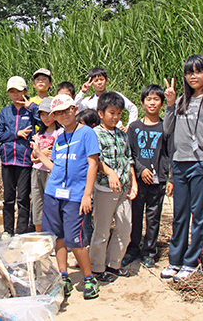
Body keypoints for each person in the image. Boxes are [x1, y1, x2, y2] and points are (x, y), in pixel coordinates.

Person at [161, 54, 203, 282]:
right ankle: (175, 260)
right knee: (180, 215)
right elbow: (167, 129)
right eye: (189, 72)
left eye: (198, 71)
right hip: (180, 163)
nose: (193, 76)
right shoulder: (180, 101)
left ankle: (192, 261)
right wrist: (169, 104)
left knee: (199, 215)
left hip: (202, 163)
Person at [31, 94, 100, 300]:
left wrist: (87, 194)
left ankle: (89, 278)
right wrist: (39, 153)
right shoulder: (59, 137)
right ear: (55, 116)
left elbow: (93, 164)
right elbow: (55, 168)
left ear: (75, 110)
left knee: (74, 239)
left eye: (67, 110)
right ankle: (63, 276)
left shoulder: (87, 133)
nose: (64, 115)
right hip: (53, 193)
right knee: (57, 237)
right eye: (59, 113)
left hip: (75, 195)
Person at [122, 85, 172, 269]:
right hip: (137, 181)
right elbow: (130, 153)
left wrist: (168, 177)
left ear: (161, 103)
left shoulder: (165, 127)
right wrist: (141, 169)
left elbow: (169, 153)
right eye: (148, 99)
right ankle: (133, 248)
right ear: (142, 102)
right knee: (135, 215)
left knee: (153, 216)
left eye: (156, 99)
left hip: (158, 180)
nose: (152, 103)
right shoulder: (134, 127)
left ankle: (150, 251)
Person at [89, 91, 138, 283]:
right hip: (104, 191)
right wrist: (110, 172)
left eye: (119, 113)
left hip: (123, 190)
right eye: (112, 113)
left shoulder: (122, 135)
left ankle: (114, 265)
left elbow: (128, 159)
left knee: (125, 229)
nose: (116, 117)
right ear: (100, 113)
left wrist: (132, 182)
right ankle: (96, 268)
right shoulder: (95, 134)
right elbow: (94, 160)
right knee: (102, 231)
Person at [0, 76, 39, 236]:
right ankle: (8, 230)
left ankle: (21, 231)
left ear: (25, 92)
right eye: (12, 92)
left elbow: (44, 122)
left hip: (25, 160)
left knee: (22, 198)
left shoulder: (30, 111)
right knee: (8, 198)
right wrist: (16, 134)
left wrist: (33, 107)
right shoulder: (5, 112)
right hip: (7, 160)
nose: (15, 95)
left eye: (19, 91)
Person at [31, 97, 62, 232]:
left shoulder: (60, 133)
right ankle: (39, 236)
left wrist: (39, 154)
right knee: (37, 204)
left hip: (51, 173)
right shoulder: (40, 133)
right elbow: (33, 155)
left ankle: (53, 236)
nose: (45, 118)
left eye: (48, 114)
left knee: (52, 204)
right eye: (42, 114)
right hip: (36, 171)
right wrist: (40, 154)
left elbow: (55, 157)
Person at [75, 109, 101, 247]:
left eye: (82, 124)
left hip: (92, 188)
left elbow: (96, 164)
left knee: (87, 221)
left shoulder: (94, 140)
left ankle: (88, 247)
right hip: (79, 187)